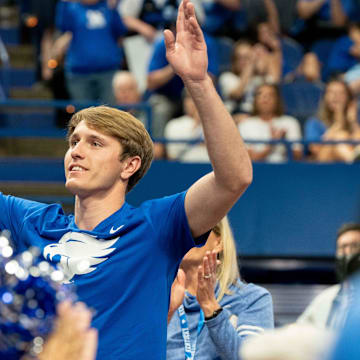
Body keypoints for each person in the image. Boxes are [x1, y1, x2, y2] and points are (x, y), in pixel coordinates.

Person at [0, 1, 252, 359]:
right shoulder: (31, 222)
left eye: (94, 143)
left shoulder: (155, 227)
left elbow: (235, 177)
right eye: (74, 142)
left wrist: (197, 81)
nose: (76, 151)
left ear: (129, 165)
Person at [166, 216, 274, 359]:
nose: (184, 238)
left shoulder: (252, 299)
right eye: (179, 232)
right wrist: (167, 314)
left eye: (194, 230)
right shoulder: (157, 297)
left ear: (219, 242)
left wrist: (211, 307)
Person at [55, 0, 128, 103]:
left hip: (108, 71)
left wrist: (114, 9)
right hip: (79, 73)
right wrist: (64, 4)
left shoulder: (108, 7)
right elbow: (63, 26)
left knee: (109, 114)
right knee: (84, 115)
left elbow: (120, 30)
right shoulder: (72, 8)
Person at [297, 223, 360, 329]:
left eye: (354, 246)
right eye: (343, 247)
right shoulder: (325, 299)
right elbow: (298, 333)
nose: (348, 253)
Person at [238, 83, 302, 162]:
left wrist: (285, 142)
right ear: (255, 100)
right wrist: (272, 144)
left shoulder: (290, 122)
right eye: (260, 95)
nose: (265, 98)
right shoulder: (245, 125)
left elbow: (298, 157)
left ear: (277, 100)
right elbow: (247, 160)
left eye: (270, 95)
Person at [304, 79, 360, 162]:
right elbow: (315, 149)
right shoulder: (314, 122)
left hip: (345, 164)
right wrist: (339, 123)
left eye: (341, 93)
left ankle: (351, 159)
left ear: (348, 98)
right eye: (331, 92)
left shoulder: (355, 120)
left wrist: (352, 122)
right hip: (323, 165)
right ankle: (352, 160)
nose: (336, 96)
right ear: (325, 97)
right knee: (340, 136)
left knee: (342, 136)